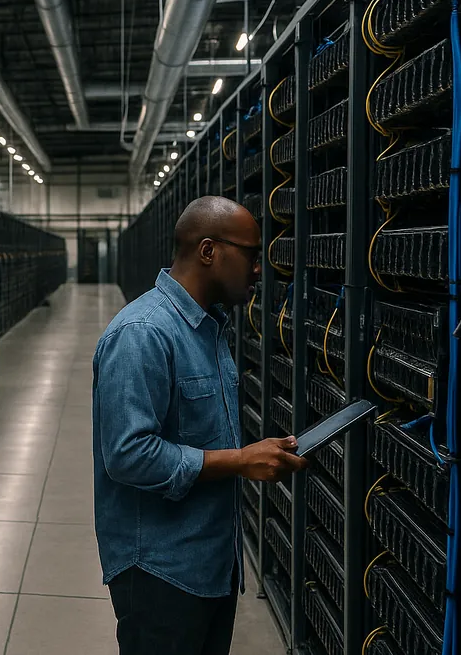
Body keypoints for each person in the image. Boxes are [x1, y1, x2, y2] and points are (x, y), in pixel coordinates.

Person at [91, 196, 309, 655]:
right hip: (159, 570)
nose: (257, 269)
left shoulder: (209, 328)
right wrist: (240, 461)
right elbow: (128, 455)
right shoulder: (142, 334)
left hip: (212, 564)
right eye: (250, 254)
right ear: (208, 251)